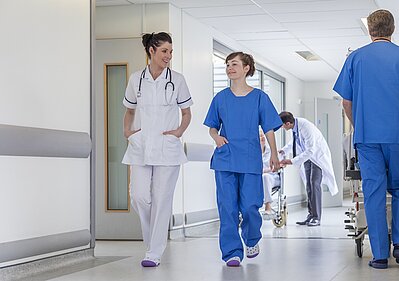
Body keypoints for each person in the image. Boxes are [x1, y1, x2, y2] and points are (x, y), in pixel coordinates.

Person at [333, 9, 399, 269]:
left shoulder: (355, 58)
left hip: (368, 139)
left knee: (374, 192)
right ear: (392, 29)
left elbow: (346, 103)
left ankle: (380, 255)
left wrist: (361, 126)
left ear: (370, 30)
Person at [121, 32, 193, 268]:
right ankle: (153, 241)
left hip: (167, 147)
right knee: (139, 196)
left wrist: (179, 131)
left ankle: (153, 251)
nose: (168, 56)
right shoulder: (136, 79)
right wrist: (127, 132)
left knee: (162, 200)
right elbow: (130, 109)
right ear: (151, 51)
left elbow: (186, 112)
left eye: (171, 52)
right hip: (140, 145)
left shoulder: (178, 80)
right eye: (164, 51)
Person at [204, 52, 282, 267]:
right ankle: (231, 252)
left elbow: (269, 128)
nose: (230, 68)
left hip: (249, 159)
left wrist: (274, 154)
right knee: (227, 207)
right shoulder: (220, 98)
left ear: (246, 68)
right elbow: (212, 125)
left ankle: (251, 239)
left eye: (234, 64)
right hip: (225, 158)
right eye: (227, 64)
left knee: (249, 206)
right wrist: (216, 136)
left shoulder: (259, 97)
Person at [278, 112, 339, 227]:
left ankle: (316, 217)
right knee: (308, 186)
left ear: (287, 123)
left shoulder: (306, 127)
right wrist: (283, 151)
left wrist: (291, 161)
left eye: (282, 125)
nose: (282, 128)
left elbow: (311, 150)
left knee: (314, 184)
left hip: (316, 157)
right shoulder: (295, 126)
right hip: (306, 157)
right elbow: (295, 142)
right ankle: (311, 215)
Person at [260, 129, 280, 220]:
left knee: (265, 176)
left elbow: (276, 167)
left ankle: (268, 206)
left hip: (272, 178)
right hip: (257, 179)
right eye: (260, 137)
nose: (262, 138)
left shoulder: (271, 152)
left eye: (263, 136)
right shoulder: (252, 154)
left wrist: (265, 170)